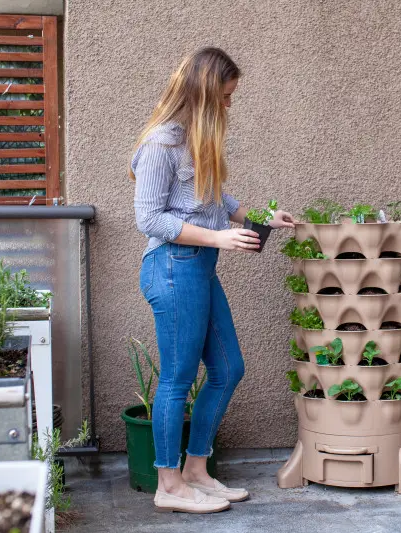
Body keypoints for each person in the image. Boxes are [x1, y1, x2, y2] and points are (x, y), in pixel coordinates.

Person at [130, 47, 295, 514]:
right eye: (225, 96)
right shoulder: (161, 144)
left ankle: (196, 471)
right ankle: (168, 484)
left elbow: (215, 197)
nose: (229, 104)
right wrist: (219, 238)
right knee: (177, 379)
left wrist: (262, 216)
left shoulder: (196, 140)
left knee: (227, 369)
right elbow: (149, 219)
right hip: (171, 266)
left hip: (198, 266)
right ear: (204, 93)